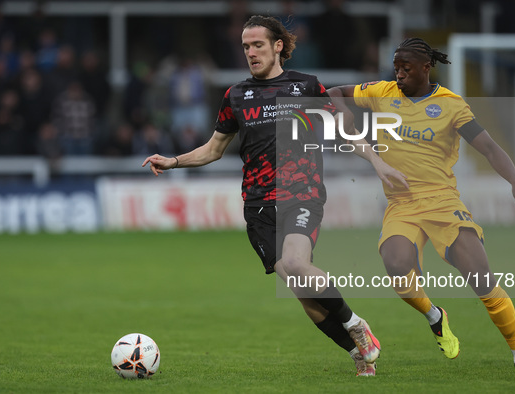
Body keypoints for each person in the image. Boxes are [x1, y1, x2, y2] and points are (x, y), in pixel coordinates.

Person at [142, 15, 383, 376]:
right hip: (257, 205)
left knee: (298, 264)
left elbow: (345, 129)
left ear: (278, 46)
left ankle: (354, 324)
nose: (250, 53)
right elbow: (213, 149)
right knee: (302, 292)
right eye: (245, 47)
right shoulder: (236, 95)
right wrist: (173, 161)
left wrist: (380, 164)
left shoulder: (306, 86)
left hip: (301, 192)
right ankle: (357, 352)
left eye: (257, 45)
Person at [328, 37, 515, 375]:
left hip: (442, 201)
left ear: (427, 68)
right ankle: (434, 316)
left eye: (406, 68)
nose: (398, 74)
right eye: (395, 67)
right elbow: (333, 92)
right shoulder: (381, 92)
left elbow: (488, 147)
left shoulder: (451, 105)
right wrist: (343, 117)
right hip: (401, 204)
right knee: (396, 266)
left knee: (481, 278)